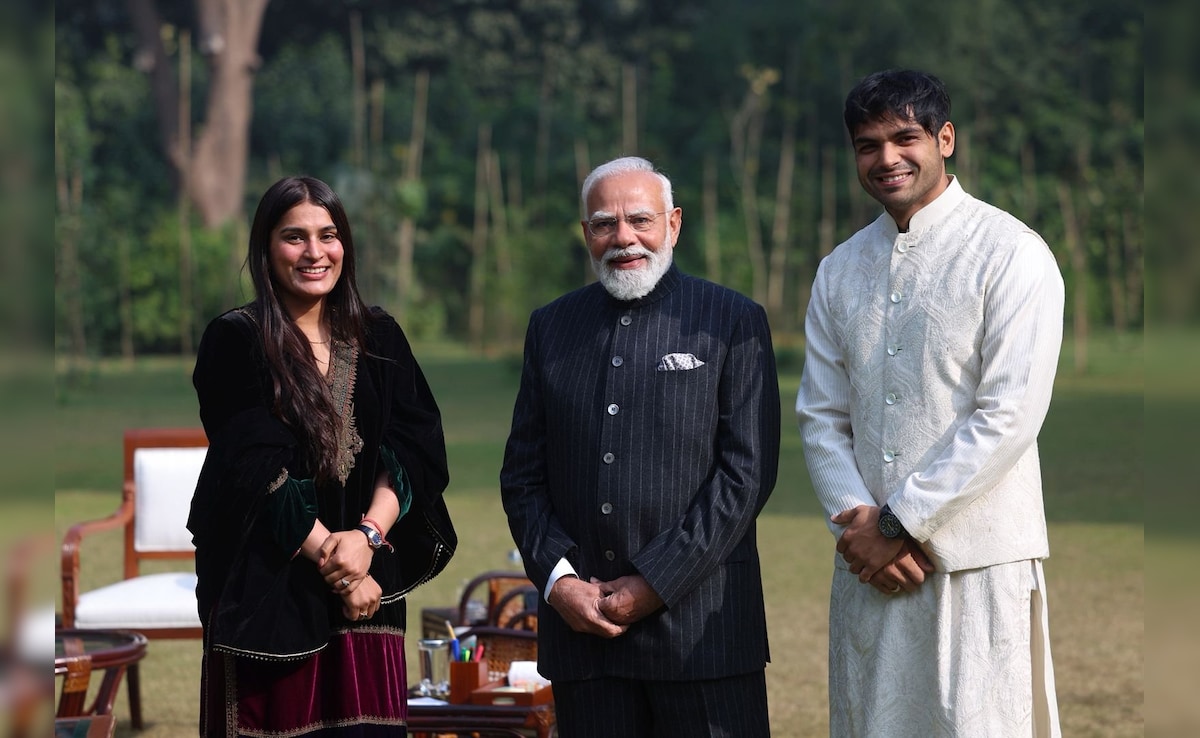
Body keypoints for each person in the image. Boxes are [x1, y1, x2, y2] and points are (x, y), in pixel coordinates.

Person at [796, 69, 1064, 736]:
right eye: (867, 144)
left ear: (945, 139)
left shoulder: (1012, 253)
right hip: (872, 570)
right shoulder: (840, 269)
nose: (886, 158)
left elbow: (1009, 414)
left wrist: (898, 525)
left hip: (977, 559)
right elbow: (820, 417)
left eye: (905, 137)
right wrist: (860, 524)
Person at [500, 156, 780, 737]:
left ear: (673, 225)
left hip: (705, 638)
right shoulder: (551, 327)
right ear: (586, 235)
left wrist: (655, 583)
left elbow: (746, 475)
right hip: (585, 641)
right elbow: (522, 476)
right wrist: (559, 582)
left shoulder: (732, 320)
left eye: (640, 220)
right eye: (604, 223)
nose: (623, 237)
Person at [187, 175, 457, 737]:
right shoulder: (235, 340)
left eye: (328, 235)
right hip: (268, 588)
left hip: (369, 590)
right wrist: (340, 567)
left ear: (345, 245)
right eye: (295, 237)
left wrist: (367, 540)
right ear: (265, 249)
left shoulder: (381, 336)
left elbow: (415, 447)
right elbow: (257, 470)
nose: (315, 252)